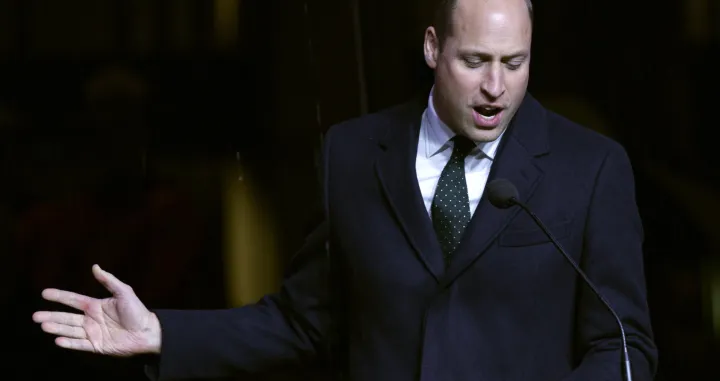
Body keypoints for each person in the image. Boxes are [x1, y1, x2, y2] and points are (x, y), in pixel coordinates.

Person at [32, 0, 658, 380]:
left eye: (514, 63)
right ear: (432, 47)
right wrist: (165, 334)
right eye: (474, 61)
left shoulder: (591, 167)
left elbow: (623, 345)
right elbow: (306, 321)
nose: (496, 86)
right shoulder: (352, 155)